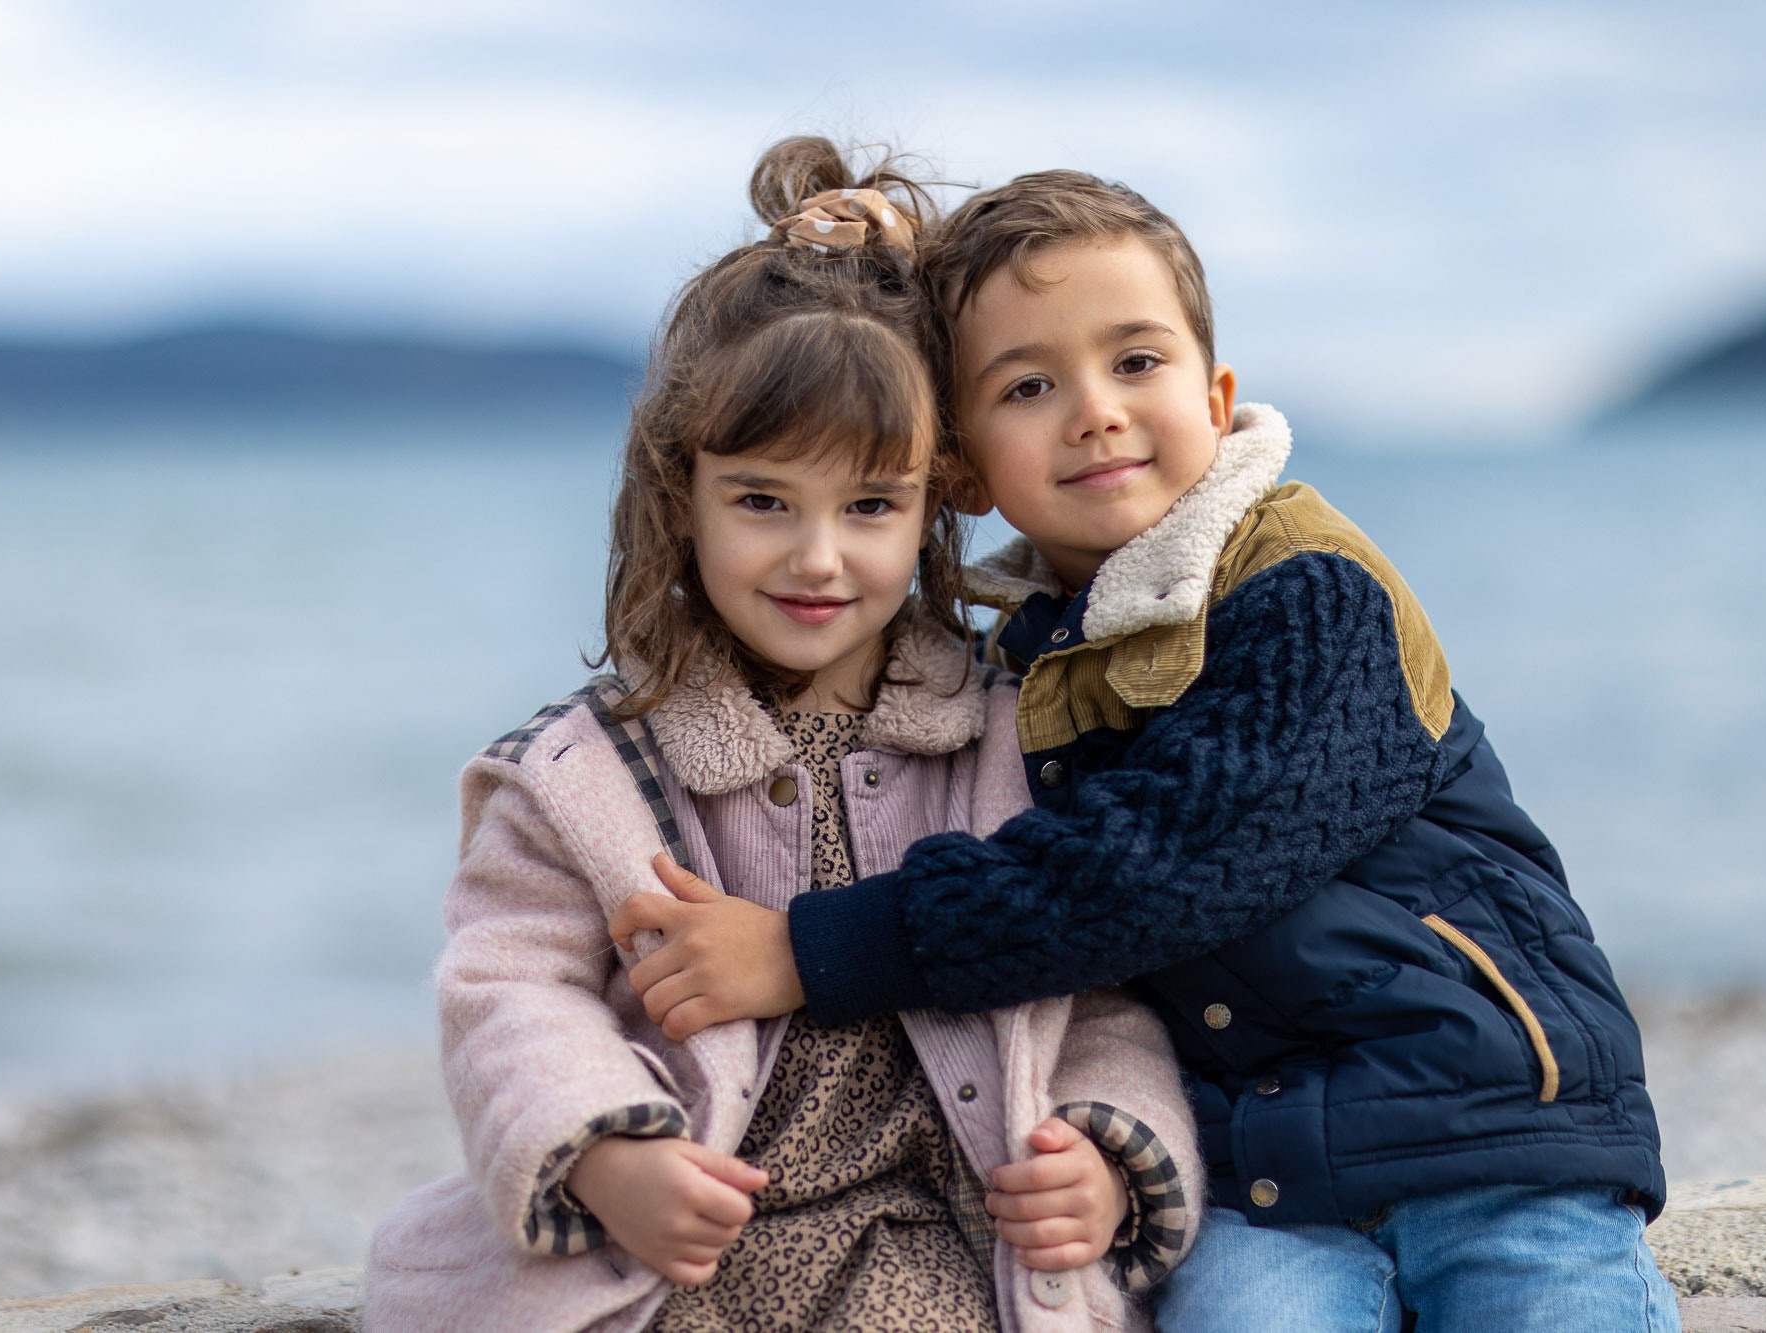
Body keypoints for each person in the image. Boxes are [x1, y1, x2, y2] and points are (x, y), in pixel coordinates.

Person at [611, 169, 1679, 1332]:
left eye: (1134, 362)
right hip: (1261, 1177)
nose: (1094, 411)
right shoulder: (1017, 665)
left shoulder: (1306, 593)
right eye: (1027, 384)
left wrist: (810, 950)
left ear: (1215, 397)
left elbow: (1155, 867)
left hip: (1487, 1125)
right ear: (960, 469)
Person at [364, 141, 1200, 1333]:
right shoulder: (589, 772)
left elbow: (1097, 990)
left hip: (927, 1242)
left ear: (931, 502)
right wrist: (603, 1150)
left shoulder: (1006, 738)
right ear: (679, 494)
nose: (817, 557)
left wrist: (1109, 1156)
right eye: (762, 500)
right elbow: (510, 985)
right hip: (675, 1250)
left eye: (869, 505)